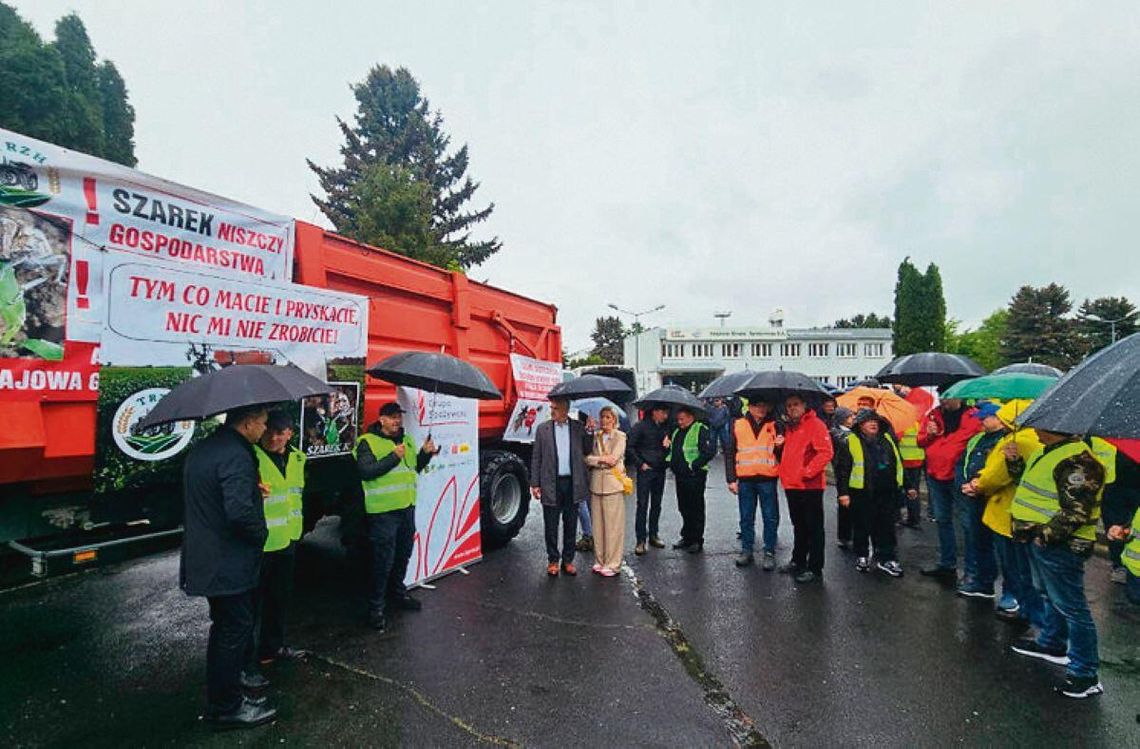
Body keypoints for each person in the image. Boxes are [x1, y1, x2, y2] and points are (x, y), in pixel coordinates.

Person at [181, 404, 277, 729]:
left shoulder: (207, 447)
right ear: (248, 423)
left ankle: (228, 695)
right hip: (227, 561)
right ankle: (226, 708)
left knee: (224, 628)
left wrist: (250, 490)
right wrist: (261, 533)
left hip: (208, 557)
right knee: (233, 630)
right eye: (262, 423)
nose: (265, 429)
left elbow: (215, 494)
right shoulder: (237, 455)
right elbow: (238, 513)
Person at [1007, 429, 1106, 699]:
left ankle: (1085, 673)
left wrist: (1045, 536)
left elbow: (1076, 511)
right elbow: (1035, 490)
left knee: (1072, 607)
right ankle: (1052, 643)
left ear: (1055, 427)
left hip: (1060, 546)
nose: (1035, 429)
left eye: (1040, 425)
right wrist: (1014, 463)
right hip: (1040, 541)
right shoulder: (1047, 452)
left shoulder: (1079, 462)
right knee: (1049, 595)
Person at [355, 402, 439, 632]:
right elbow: (366, 472)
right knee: (382, 561)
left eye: (399, 417)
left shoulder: (407, 440)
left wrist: (425, 454)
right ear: (381, 419)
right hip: (383, 512)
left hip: (406, 509)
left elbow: (413, 468)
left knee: (403, 555)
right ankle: (376, 608)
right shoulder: (367, 442)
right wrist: (393, 457)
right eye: (392, 417)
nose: (397, 421)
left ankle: (398, 594)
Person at [964, 401, 1044, 623]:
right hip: (1017, 511)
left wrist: (977, 485)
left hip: (1008, 510)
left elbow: (997, 474)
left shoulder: (1017, 441)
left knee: (1015, 565)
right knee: (1021, 566)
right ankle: (1025, 609)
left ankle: (1022, 607)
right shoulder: (1025, 439)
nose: (982, 422)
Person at [249, 410, 309, 670]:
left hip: (287, 539)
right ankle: (245, 659)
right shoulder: (251, 457)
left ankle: (272, 649)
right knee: (252, 605)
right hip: (260, 543)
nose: (273, 438)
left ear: (290, 434)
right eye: (269, 431)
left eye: (280, 433)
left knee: (279, 599)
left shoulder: (298, 457)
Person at [918, 397, 981, 581]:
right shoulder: (933, 415)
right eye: (942, 396)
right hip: (935, 475)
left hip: (960, 477)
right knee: (942, 519)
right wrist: (929, 434)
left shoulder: (973, 417)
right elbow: (920, 441)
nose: (943, 400)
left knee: (968, 524)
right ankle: (947, 564)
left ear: (959, 397)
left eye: (948, 396)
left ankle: (972, 571)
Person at [835, 409, 904, 577]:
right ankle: (862, 555)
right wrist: (843, 493)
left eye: (875, 420)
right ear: (860, 425)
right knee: (862, 525)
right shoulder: (850, 441)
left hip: (886, 491)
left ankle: (887, 558)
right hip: (861, 492)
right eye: (868, 421)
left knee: (886, 526)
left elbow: (898, 462)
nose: (873, 423)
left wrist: (907, 486)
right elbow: (842, 470)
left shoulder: (887, 439)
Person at [530, 398, 592, 576]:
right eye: (552, 407)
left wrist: (589, 431)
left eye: (556, 408)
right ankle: (553, 560)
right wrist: (535, 483)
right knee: (551, 524)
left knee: (570, 523)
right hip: (551, 482)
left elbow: (587, 450)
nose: (552, 411)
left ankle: (568, 560)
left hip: (572, 482)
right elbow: (536, 457)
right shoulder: (543, 429)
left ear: (566, 409)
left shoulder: (578, 427)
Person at [777, 394, 834, 583]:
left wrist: (807, 472)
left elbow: (825, 452)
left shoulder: (816, 425)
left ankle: (815, 567)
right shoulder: (789, 427)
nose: (792, 408)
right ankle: (798, 560)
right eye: (789, 405)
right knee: (799, 526)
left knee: (814, 528)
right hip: (792, 484)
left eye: (796, 404)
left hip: (810, 486)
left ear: (804, 405)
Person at [724, 397, 784, 569]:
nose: (762, 409)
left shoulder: (776, 425)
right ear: (749, 407)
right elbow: (730, 452)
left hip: (768, 478)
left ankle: (769, 552)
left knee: (770, 517)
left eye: (764, 405)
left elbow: (781, 454)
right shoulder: (738, 424)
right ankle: (746, 550)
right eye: (758, 406)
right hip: (746, 479)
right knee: (746, 517)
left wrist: (780, 446)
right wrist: (731, 479)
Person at [953, 402, 1004, 599]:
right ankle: (981, 581)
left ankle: (993, 583)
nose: (980, 421)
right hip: (972, 496)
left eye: (984, 418)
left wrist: (978, 485)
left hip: (992, 498)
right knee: (977, 539)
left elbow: (998, 469)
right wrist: (963, 484)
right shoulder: (978, 438)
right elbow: (963, 462)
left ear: (998, 418)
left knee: (995, 544)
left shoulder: (1005, 440)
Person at [585, 406, 629, 576]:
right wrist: (601, 460)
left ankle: (613, 563)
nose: (604, 420)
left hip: (613, 485)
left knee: (613, 527)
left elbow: (613, 459)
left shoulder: (620, 436)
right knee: (598, 526)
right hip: (596, 484)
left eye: (608, 417)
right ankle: (600, 559)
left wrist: (598, 460)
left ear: (614, 419)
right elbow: (586, 458)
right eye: (602, 416)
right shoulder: (595, 436)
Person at [667, 406, 715, 553]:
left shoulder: (700, 429)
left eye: (682, 419)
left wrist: (694, 465)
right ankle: (687, 536)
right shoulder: (677, 431)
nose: (679, 422)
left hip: (695, 475)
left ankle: (696, 539)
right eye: (678, 419)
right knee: (684, 507)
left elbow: (709, 452)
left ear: (691, 417)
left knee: (696, 507)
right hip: (680, 475)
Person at [628, 405, 671, 555]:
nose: (665, 415)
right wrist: (640, 464)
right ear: (655, 412)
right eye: (663, 412)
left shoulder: (665, 428)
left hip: (660, 469)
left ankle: (654, 534)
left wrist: (667, 446)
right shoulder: (640, 427)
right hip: (645, 470)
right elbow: (630, 447)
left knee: (656, 504)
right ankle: (640, 540)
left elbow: (667, 449)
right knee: (642, 504)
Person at [829, 407, 856, 549]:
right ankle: (844, 536)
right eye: (850, 416)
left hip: (853, 471)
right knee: (844, 504)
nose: (853, 419)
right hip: (843, 471)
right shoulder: (836, 433)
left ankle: (851, 533)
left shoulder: (852, 432)